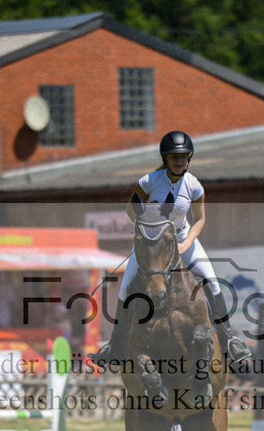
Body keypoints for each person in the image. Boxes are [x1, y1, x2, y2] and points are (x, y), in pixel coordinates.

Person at [91, 130, 251, 364]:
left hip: (184, 239)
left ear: (189, 158)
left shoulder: (194, 185)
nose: (179, 161)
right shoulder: (148, 182)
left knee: (212, 281)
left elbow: (200, 219)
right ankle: (115, 346)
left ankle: (229, 339)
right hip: (153, 243)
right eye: (174, 156)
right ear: (165, 158)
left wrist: (186, 242)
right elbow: (131, 208)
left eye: (184, 156)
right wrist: (145, 233)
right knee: (126, 288)